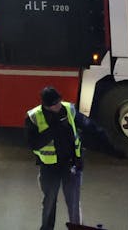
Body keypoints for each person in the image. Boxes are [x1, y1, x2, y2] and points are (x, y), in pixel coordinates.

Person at [24, 86, 88, 230]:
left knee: (74, 203)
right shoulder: (34, 116)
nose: (58, 106)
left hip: (70, 165)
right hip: (49, 169)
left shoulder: (68, 109)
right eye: (55, 104)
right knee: (49, 203)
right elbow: (33, 144)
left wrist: (79, 158)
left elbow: (78, 134)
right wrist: (52, 129)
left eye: (59, 101)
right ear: (46, 105)